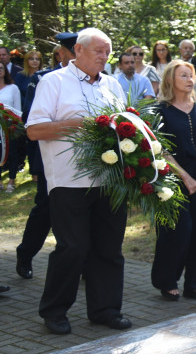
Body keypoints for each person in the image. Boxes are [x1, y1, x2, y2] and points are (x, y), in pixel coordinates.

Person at [26, 27, 132, 335]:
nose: (104, 57)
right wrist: (77, 125)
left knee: (109, 248)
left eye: (108, 52)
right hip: (69, 180)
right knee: (73, 248)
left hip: (110, 180)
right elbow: (34, 130)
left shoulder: (112, 84)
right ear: (78, 50)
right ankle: (55, 311)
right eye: (99, 51)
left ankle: (106, 309)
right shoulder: (53, 81)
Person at [14, 33, 76, 280]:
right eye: (73, 52)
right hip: (49, 154)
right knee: (46, 210)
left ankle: (82, 262)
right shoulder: (44, 79)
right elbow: (31, 118)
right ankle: (26, 254)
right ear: (62, 53)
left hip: (83, 160)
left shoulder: (96, 80)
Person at [152, 60, 196, 301]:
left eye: (192, 76)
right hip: (172, 176)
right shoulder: (161, 110)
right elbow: (161, 148)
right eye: (184, 76)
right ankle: (166, 279)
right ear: (170, 80)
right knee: (178, 229)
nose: (190, 80)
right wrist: (185, 176)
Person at [0, 63, 21, 193]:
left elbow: (18, 110)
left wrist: (15, 124)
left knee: (12, 154)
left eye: (1, 68)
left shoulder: (13, 88)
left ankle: (11, 181)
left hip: (10, 127)